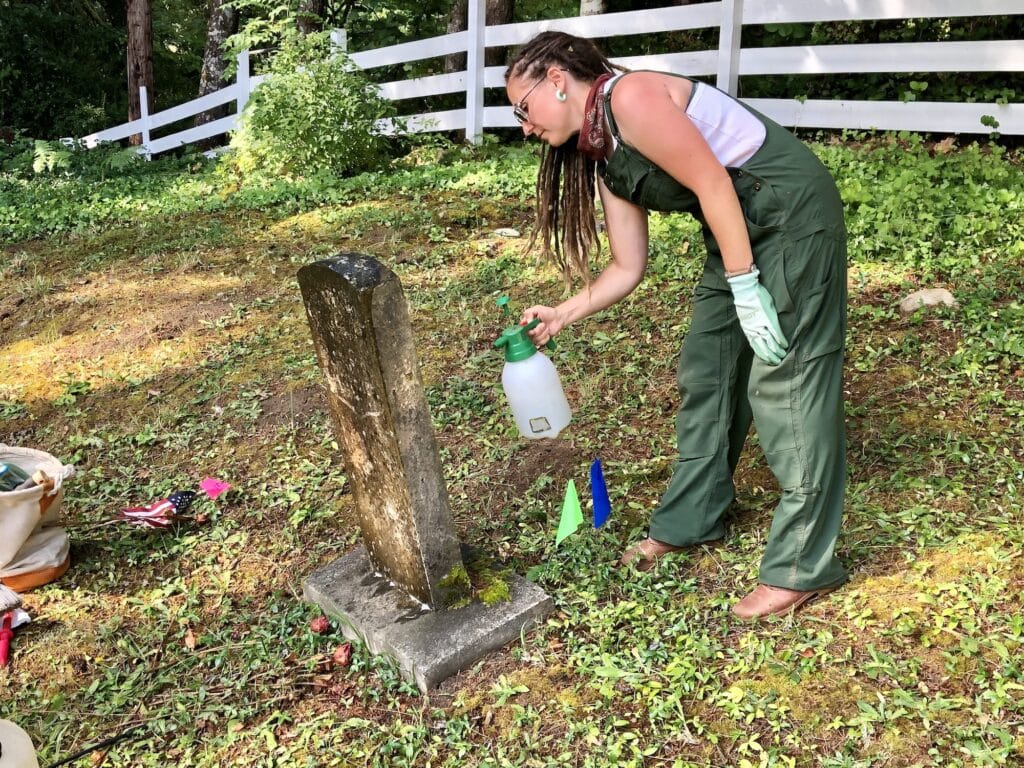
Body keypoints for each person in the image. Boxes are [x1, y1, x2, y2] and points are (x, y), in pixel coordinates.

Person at [504, 31, 849, 619]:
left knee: (786, 379)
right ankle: (693, 519)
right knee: (708, 370)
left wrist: (746, 286)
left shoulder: (632, 98)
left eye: (523, 108)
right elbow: (627, 264)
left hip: (791, 215)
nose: (524, 125)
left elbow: (715, 183)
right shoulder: (603, 153)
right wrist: (564, 311)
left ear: (556, 82)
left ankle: (801, 565)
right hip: (737, 229)